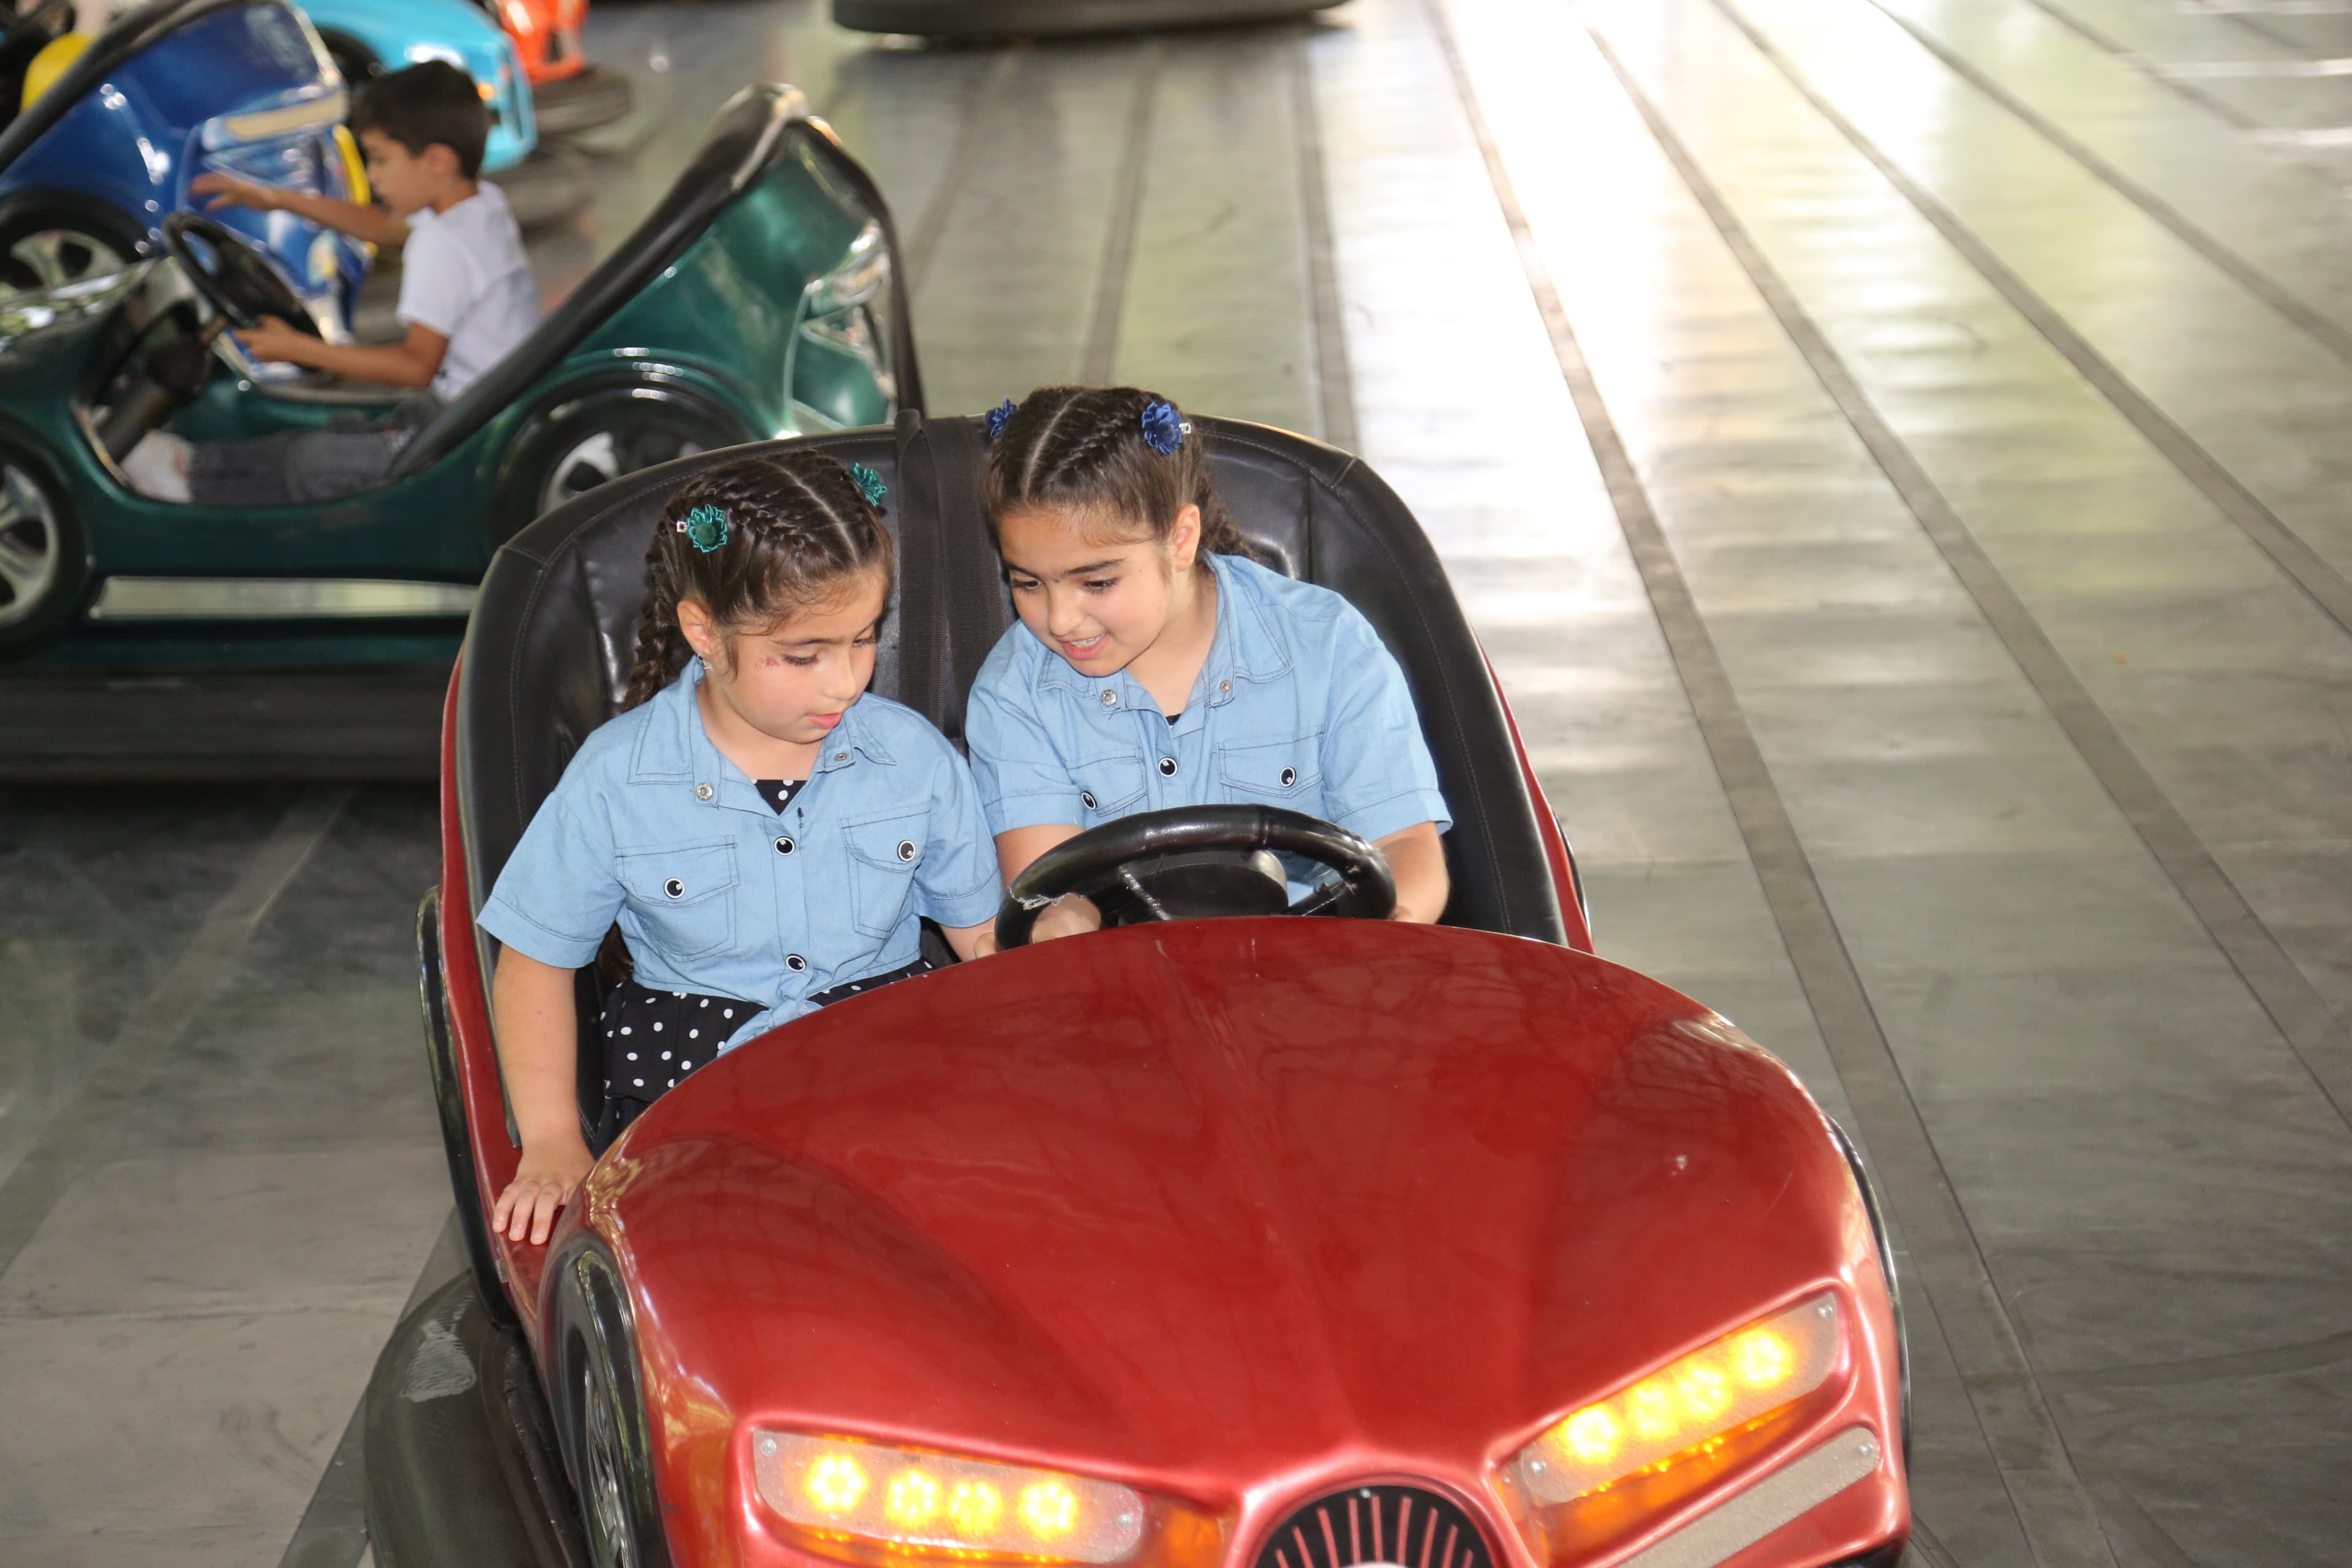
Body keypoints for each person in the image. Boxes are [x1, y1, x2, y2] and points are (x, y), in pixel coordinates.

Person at [478, 452, 1003, 1244]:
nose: (846, 682)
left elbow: (984, 941)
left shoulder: (914, 759)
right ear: (704, 632)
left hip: (886, 1069)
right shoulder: (618, 777)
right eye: (804, 655)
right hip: (693, 1089)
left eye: (864, 638)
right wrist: (551, 1138)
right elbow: (536, 958)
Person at [964, 385, 1451, 944]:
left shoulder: (1329, 645)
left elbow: (1403, 845)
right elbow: (1053, 893)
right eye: (1027, 583)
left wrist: (1379, 939)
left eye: (1096, 583)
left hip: (1316, 965)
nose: (1060, 619)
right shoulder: (1015, 693)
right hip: (1124, 978)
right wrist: (1055, 936)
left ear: (1181, 539)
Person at [118, 61, 537, 505]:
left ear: (437, 162)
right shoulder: (478, 206)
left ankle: (191, 483)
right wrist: (276, 198)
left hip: (468, 433)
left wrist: (298, 349)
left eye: (380, 159)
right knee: (338, 431)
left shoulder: (441, 244)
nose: (372, 177)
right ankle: (193, 465)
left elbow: (416, 367)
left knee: (313, 462)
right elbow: (385, 227)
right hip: (482, 410)